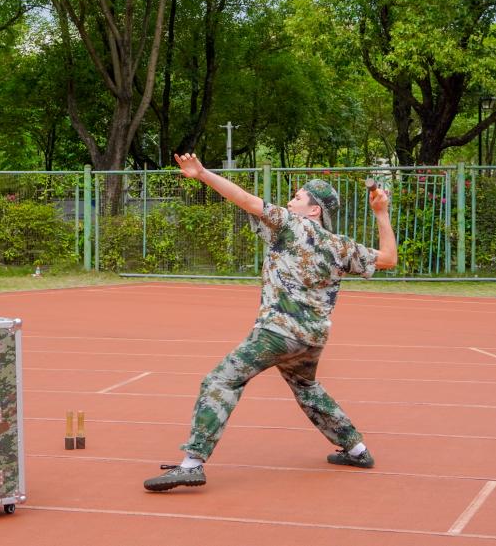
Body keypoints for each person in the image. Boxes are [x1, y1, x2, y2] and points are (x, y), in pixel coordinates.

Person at [143, 153, 398, 492]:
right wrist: (381, 213)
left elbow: (245, 200)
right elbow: (389, 259)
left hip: (277, 332)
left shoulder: (291, 223)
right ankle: (357, 449)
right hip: (312, 339)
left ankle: (192, 464)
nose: (290, 201)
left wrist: (203, 174)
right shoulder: (340, 246)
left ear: (314, 210)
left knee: (220, 380)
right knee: (307, 388)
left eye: (298, 197)